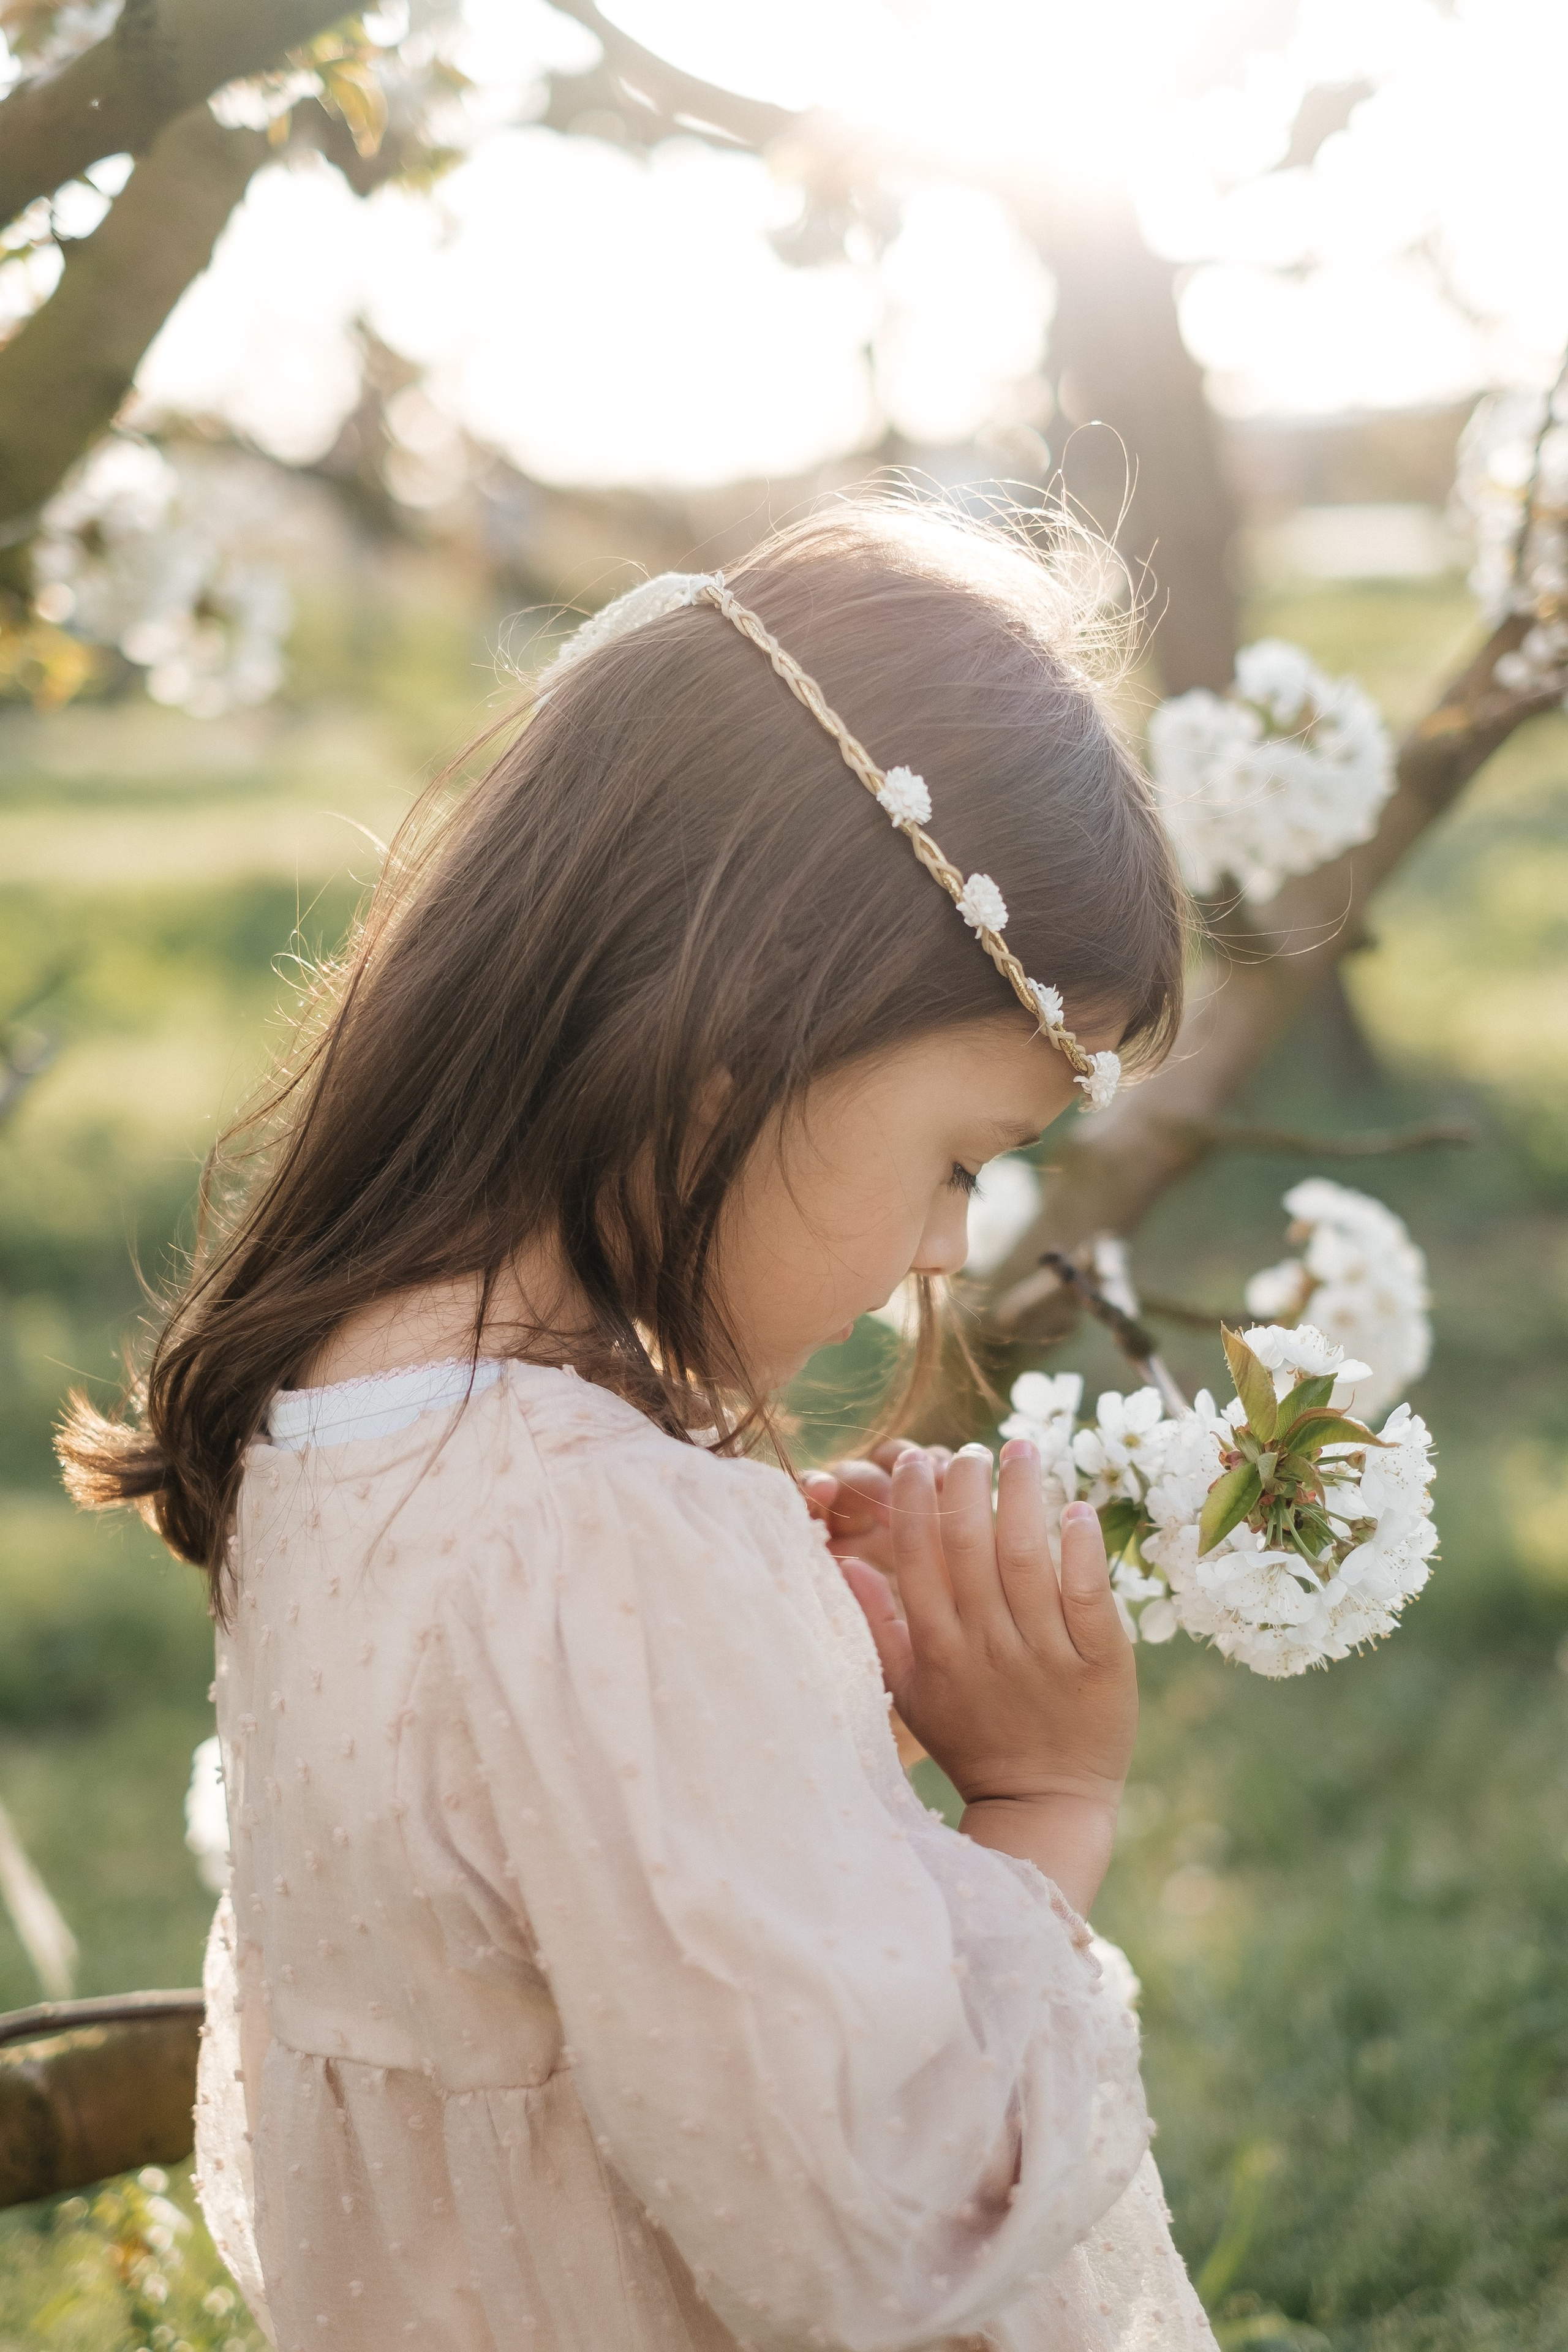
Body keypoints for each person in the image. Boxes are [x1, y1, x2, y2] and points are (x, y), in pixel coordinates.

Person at [59, 500, 1215, 2350]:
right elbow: (869, 2239)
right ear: (746, 1034)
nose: (946, 1246)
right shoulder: (604, 1536)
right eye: (961, 1161)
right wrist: (1038, 1797)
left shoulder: (342, 1416)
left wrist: (813, 1750)